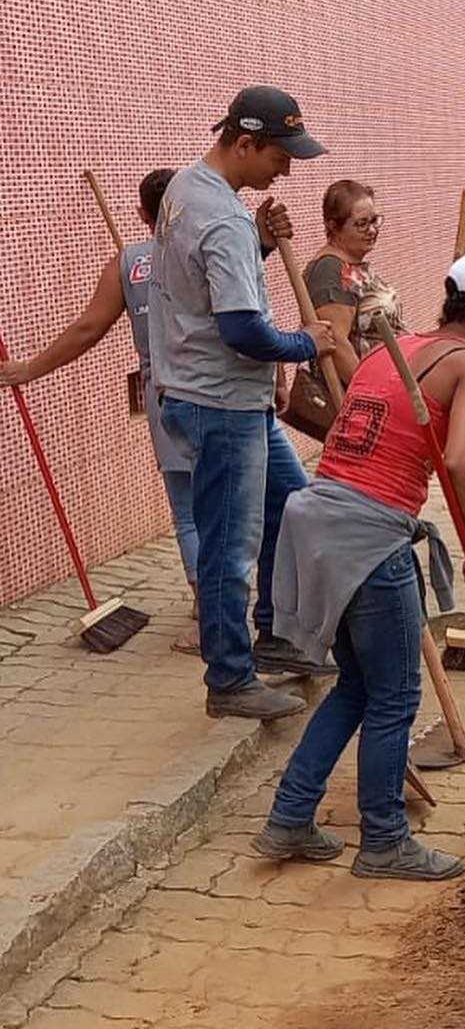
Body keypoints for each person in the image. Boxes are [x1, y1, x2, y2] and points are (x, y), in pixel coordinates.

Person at [253, 249, 465, 879]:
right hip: (369, 536)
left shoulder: (402, 346)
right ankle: (385, 840)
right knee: (396, 697)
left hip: (319, 522)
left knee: (359, 686)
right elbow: (463, 461)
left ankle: (289, 819)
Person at [150, 86, 339, 722]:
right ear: (245, 142)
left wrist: (257, 243)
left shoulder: (186, 188)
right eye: (280, 156)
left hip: (213, 394)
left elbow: (201, 283)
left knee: (291, 505)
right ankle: (229, 678)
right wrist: (303, 342)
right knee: (232, 545)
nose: (286, 168)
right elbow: (242, 331)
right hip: (221, 401)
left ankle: (277, 637)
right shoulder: (223, 218)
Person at [0, 170, 202, 654]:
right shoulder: (207, 250)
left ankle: (210, 612)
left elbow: (87, 328)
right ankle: (230, 608)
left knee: (190, 513)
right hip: (223, 393)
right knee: (231, 507)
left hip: (167, 396)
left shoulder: (129, 263)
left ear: (142, 215)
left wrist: (28, 369)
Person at [304, 180, 405, 387]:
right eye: (361, 224)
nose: (372, 230)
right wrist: (367, 393)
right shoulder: (330, 270)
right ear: (333, 226)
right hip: (358, 399)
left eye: (374, 220)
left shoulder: (352, 266)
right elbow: (336, 344)